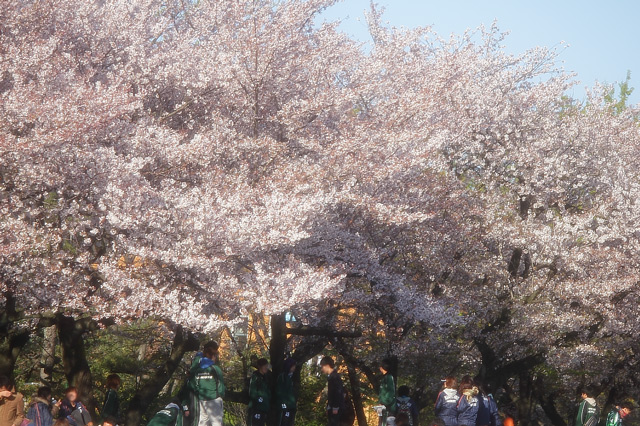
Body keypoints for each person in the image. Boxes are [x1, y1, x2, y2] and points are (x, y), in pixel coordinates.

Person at [187, 342, 225, 426]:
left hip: (201, 398)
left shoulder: (198, 367)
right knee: (216, 423)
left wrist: (199, 392)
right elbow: (220, 383)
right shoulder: (214, 368)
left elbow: (192, 382)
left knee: (203, 422)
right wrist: (219, 394)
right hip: (214, 398)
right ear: (213, 356)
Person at [320, 356, 344, 426]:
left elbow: (337, 392)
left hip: (336, 407)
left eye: (322, 367)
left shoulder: (335, 377)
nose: (322, 369)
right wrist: (329, 406)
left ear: (327, 365)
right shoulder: (332, 377)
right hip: (333, 406)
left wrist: (335, 407)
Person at [249, 358, 271, 426]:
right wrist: (258, 399)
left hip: (264, 408)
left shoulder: (266, 378)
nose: (266, 368)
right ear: (260, 367)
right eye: (265, 366)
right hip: (256, 408)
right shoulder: (255, 377)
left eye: (267, 366)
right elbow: (252, 392)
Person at [276, 358, 297, 426]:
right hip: (284, 407)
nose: (294, 368)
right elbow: (280, 392)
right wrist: (283, 404)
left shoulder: (291, 377)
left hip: (291, 407)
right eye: (293, 366)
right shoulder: (282, 377)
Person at [378, 359, 397, 426]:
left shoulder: (389, 377)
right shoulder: (384, 378)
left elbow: (390, 393)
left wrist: (384, 403)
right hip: (382, 408)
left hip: (388, 408)